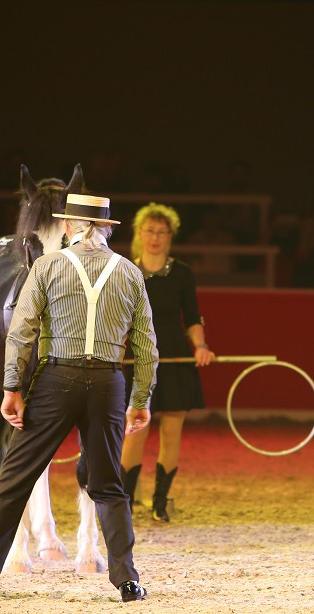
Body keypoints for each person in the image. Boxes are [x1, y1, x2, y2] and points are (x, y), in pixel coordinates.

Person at [0, 192, 159, 602]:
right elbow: (146, 346)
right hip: (106, 383)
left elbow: (22, 332)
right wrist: (140, 400)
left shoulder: (46, 267)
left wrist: (11, 388)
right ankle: (127, 581)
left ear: (67, 226)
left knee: (12, 480)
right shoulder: (130, 273)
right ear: (105, 228)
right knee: (109, 485)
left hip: (56, 381)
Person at [119, 203, 215, 522]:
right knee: (135, 431)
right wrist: (117, 348)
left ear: (170, 236)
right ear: (139, 234)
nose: (155, 238)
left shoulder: (183, 274)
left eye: (161, 232)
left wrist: (200, 346)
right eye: (149, 231)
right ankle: (126, 500)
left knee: (171, 433)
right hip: (138, 358)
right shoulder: (126, 271)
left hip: (174, 357)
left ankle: (160, 503)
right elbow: (119, 319)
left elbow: (191, 317)